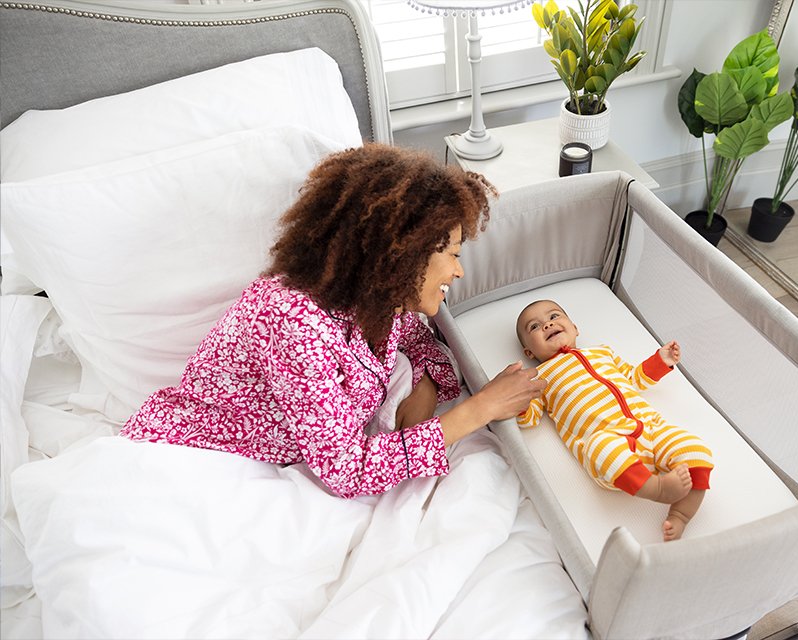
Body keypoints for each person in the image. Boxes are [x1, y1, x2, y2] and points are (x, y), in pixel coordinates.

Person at [121, 144, 546, 499]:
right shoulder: (295, 324)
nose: (459, 272)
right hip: (200, 461)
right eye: (452, 254)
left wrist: (424, 395)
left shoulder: (381, 302)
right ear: (403, 253)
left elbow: (420, 342)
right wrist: (480, 408)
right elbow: (346, 471)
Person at [515, 299, 714, 541]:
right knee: (600, 448)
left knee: (695, 449)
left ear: (575, 327)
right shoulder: (539, 378)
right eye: (534, 327)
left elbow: (634, 378)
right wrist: (518, 400)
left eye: (554, 316)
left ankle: (681, 514)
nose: (547, 324)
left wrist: (660, 361)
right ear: (529, 352)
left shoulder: (602, 352)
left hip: (650, 428)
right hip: (607, 441)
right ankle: (656, 488)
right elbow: (530, 418)